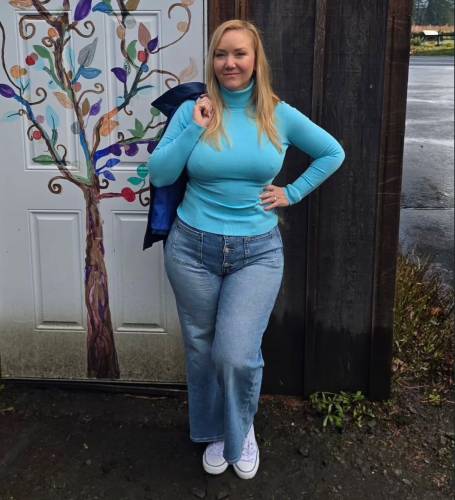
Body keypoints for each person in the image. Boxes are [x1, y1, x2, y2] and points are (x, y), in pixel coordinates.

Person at [147, 19, 345, 480]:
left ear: (256, 61)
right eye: (221, 54)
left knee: (235, 353)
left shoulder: (278, 114)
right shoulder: (193, 111)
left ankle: (241, 428)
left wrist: (292, 192)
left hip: (256, 253)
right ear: (212, 61)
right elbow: (159, 174)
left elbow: (332, 152)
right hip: (191, 250)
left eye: (239, 53)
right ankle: (216, 431)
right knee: (201, 348)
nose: (229, 63)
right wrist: (195, 129)